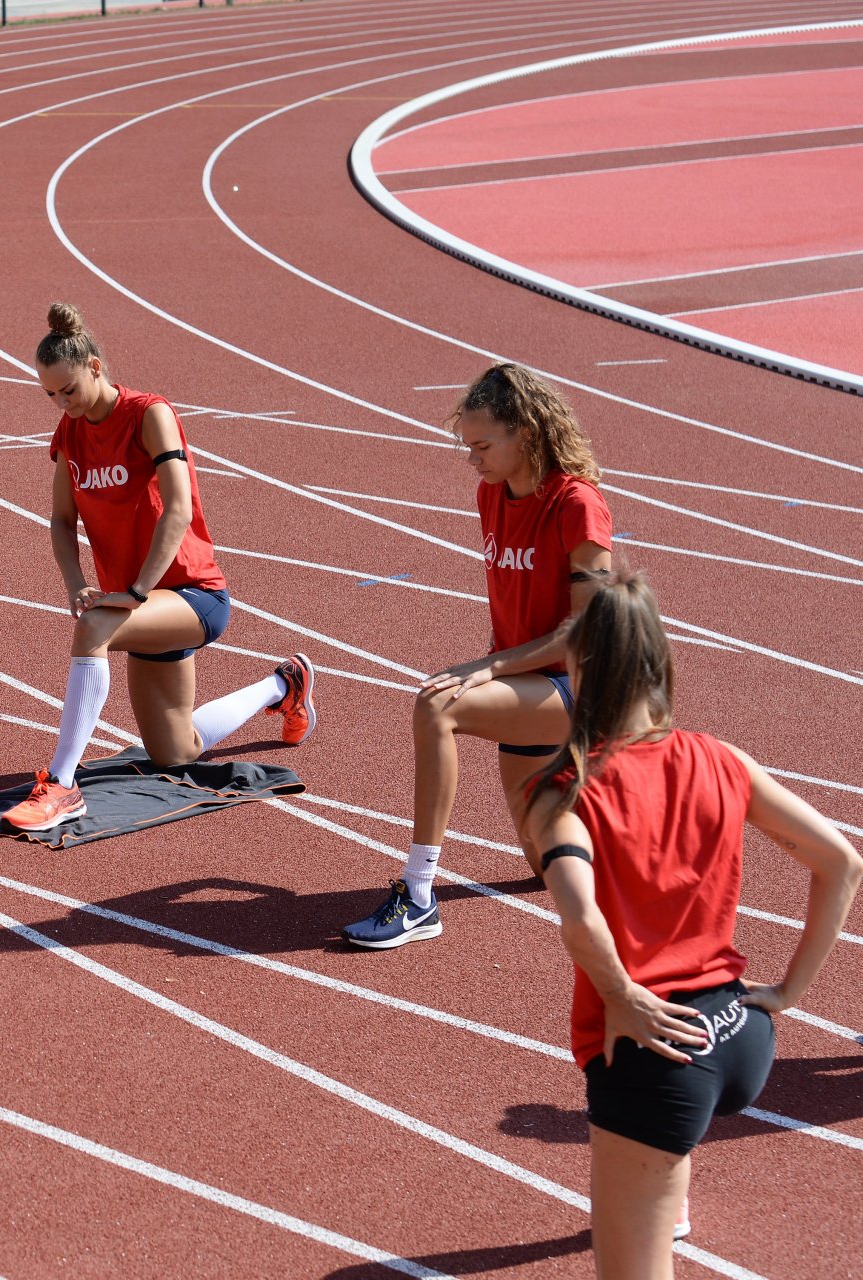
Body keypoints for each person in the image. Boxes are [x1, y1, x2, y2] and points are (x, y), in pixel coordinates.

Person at [522, 571, 859, 1277]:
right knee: (661, 1171)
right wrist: (790, 994)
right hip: (740, 1034)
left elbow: (580, 918)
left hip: (655, 1051)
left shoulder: (567, 792)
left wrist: (620, 994)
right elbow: (840, 862)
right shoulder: (722, 759)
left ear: (584, 672)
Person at [4, 303, 315, 833]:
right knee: (175, 754)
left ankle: (62, 785)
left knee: (94, 627)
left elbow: (177, 507)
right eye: (50, 394)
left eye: (69, 390)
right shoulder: (70, 433)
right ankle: (284, 685)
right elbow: (60, 521)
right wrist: (77, 583)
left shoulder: (151, 414)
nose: (62, 403)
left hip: (193, 596)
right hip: (144, 607)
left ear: (96, 367)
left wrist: (136, 590)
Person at [344, 363, 612, 949]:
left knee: (437, 705)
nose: (473, 460)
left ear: (530, 435)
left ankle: (417, 895)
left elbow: (585, 631)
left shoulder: (577, 504)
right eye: (468, 446)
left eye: (484, 445)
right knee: (552, 867)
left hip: (575, 690)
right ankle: (624, 839)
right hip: (527, 687)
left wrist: (490, 666)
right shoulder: (491, 494)